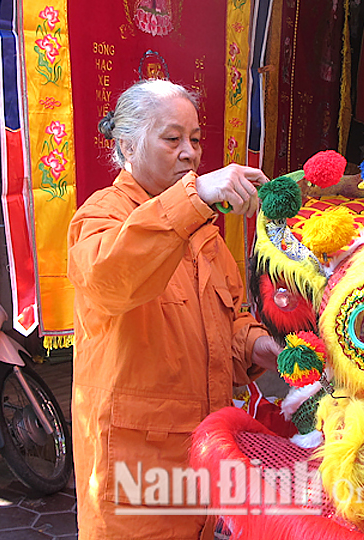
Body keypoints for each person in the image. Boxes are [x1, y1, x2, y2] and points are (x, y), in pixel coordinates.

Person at [67, 78, 282, 539]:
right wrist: (196, 197)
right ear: (128, 145)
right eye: (172, 139)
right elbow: (112, 278)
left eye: (196, 139)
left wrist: (261, 347)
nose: (189, 153)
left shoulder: (204, 233)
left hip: (201, 460)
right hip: (134, 468)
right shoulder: (101, 215)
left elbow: (226, 321)